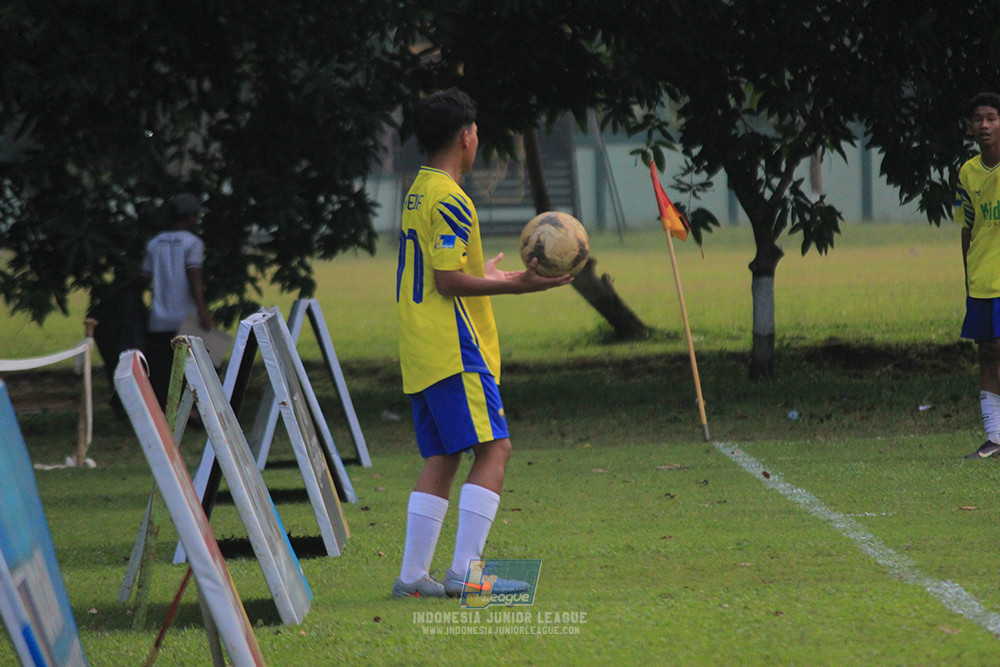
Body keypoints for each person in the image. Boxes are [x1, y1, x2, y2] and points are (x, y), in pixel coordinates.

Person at [392, 88, 573, 598]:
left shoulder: (419, 190)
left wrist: (487, 273)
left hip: (421, 345)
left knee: (443, 456)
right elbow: (448, 280)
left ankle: (411, 577)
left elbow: (440, 267)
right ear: (467, 137)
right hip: (453, 347)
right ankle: (466, 574)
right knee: (496, 448)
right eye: (476, 132)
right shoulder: (452, 198)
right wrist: (518, 285)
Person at [957, 92, 1000, 459]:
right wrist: (968, 277)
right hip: (983, 278)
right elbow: (967, 228)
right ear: (970, 127)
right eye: (978, 119)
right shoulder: (967, 172)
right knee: (987, 353)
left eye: (992, 118)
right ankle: (995, 437)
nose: (984, 125)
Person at [141, 192, 214, 408]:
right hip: (186, 318)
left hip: (158, 319)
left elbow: (144, 279)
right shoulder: (193, 243)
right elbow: (194, 276)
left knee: (162, 370)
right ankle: (192, 409)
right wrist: (203, 311)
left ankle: (163, 411)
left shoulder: (155, 243)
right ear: (190, 216)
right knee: (204, 363)